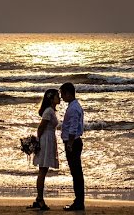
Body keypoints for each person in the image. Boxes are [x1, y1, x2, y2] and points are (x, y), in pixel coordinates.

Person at [28, 88, 60, 211]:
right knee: (42, 171)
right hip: (46, 140)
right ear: (51, 98)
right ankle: (40, 199)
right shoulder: (48, 111)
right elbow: (40, 128)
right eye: (57, 96)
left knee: (43, 170)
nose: (59, 98)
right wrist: (39, 142)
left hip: (48, 139)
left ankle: (38, 198)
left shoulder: (50, 111)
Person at [59, 82, 85, 211]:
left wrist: (69, 143)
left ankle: (79, 202)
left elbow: (73, 128)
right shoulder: (74, 106)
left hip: (73, 143)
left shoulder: (73, 108)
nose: (62, 97)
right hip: (73, 142)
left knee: (76, 173)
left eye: (63, 94)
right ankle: (79, 200)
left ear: (68, 93)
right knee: (76, 172)